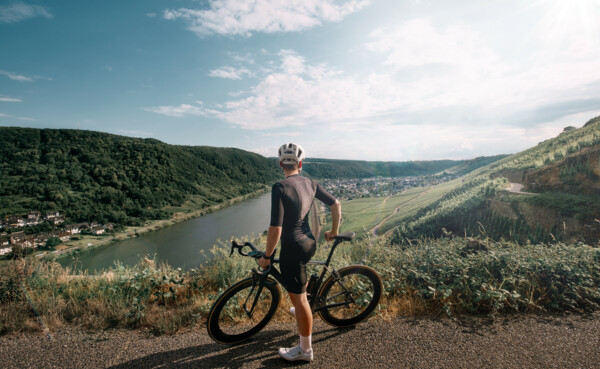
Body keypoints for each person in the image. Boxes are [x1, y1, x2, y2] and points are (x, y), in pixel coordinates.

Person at [258, 143, 341, 362]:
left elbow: (276, 228)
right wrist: (334, 231)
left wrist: (267, 257)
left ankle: (305, 351)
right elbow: (336, 204)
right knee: (298, 289)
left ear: (280, 164)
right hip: (309, 244)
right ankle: (303, 303)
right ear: (300, 164)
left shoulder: (280, 186)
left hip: (293, 249)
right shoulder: (311, 183)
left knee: (300, 300)